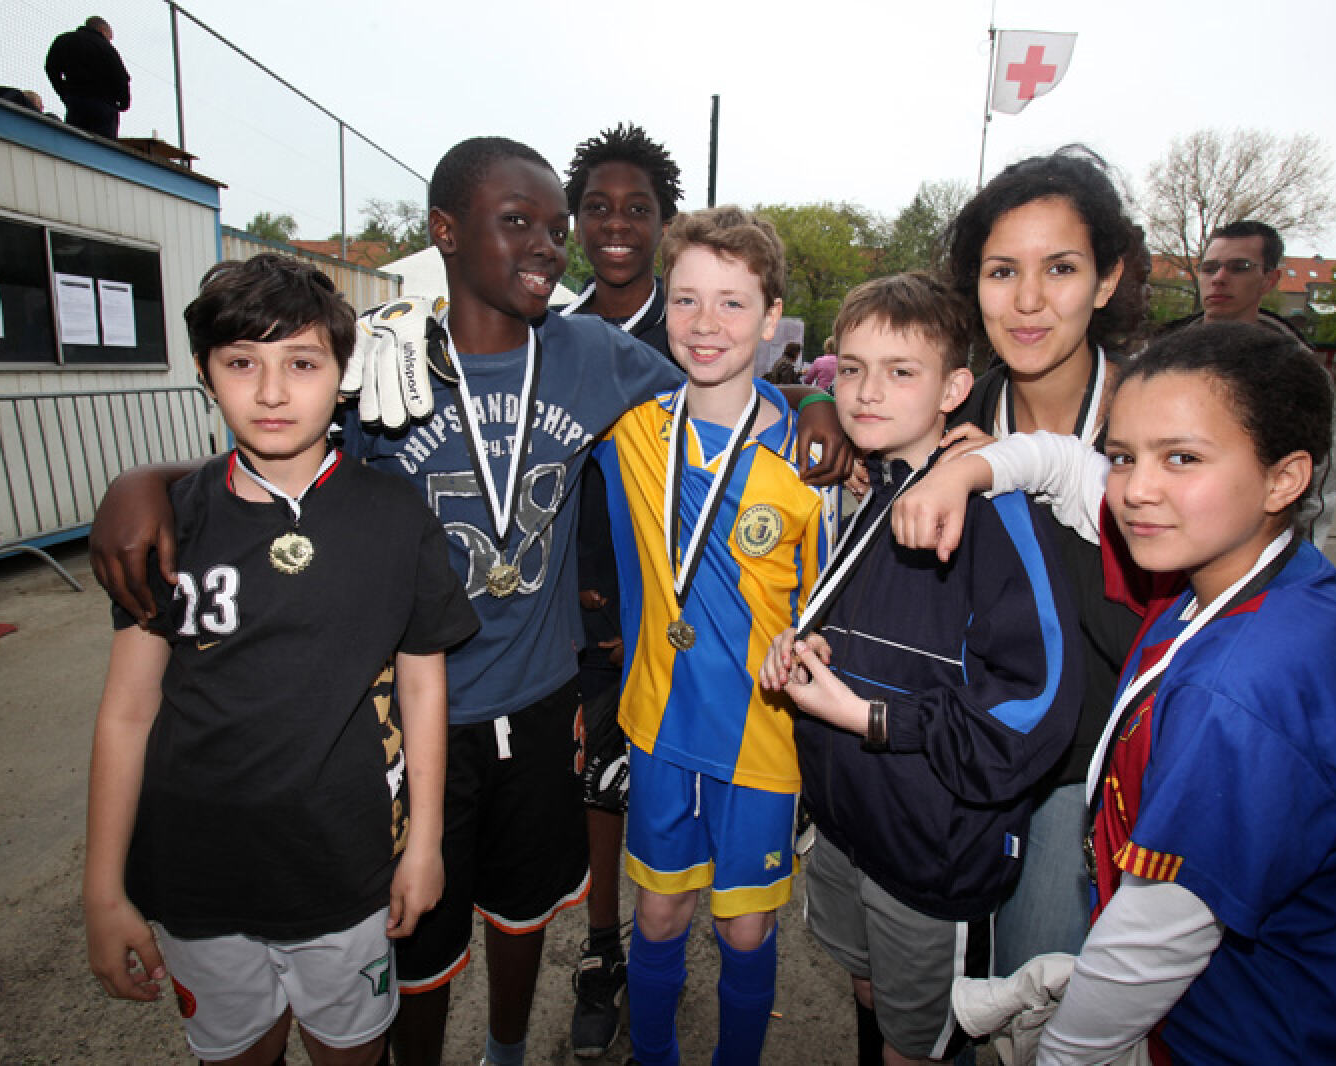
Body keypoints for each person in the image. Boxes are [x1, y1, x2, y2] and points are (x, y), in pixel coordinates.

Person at [87, 136, 852, 1066]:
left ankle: (507, 1049)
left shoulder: (591, 356)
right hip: (419, 708)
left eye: (555, 229)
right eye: (518, 222)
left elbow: (717, 387)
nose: (547, 247)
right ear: (444, 231)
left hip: (541, 698)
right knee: (417, 932)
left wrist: (815, 403)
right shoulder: (388, 364)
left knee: (523, 911)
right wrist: (148, 482)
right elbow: (276, 438)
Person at [915, 323, 1336, 1063]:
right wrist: (969, 470)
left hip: (1252, 1034)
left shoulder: (1242, 685)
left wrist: (1068, 1051)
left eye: (1181, 457)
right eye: (1124, 456)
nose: (1136, 490)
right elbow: (1068, 464)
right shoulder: (1262, 574)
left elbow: (1155, 939)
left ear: (1285, 478)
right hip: (1286, 992)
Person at [82, 254, 478, 1065]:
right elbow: (127, 711)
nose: (270, 392)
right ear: (204, 372)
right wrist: (101, 889)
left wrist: (425, 843)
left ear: (342, 375)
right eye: (241, 364)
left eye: (301, 363)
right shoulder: (166, 525)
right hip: (196, 874)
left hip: (346, 868)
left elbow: (422, 685)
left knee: (351, 1050)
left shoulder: (395, 515)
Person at [757, 273, 1082, 1065]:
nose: (867, 392)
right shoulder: (878, 485)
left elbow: (1030, 714)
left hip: (934, 854)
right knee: (869, 993)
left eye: (901, 371)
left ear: (954, 389)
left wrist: (869, 718)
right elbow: (877, 637)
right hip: (848, 826)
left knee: (920, 1043)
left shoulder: (996, 513)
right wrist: (808, 647)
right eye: (853, 368)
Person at [901, 146, 1149, 983]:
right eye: (1003, 271)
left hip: (1100, 772)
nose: (1029, 300)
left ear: (1107, 280)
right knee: (942, 993)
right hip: (975, 752)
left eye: (1062, 268)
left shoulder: (1160, 424)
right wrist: (827, 415)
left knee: (1042, 991)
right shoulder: (951, 416)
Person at [591, 206, 826, 1066]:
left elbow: (821, 609)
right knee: (657, 914)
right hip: (659, 725)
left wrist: (821, 402)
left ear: (771, 319)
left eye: (732, 303)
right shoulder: (628, 427)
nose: (705, 323)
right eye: (686, 299)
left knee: (745, 929)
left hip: (761, 735)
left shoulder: (812, 459)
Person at [559, 121, 684, 1058]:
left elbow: (754, 419)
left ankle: (659, 957)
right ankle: (602, 954)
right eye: (597, 207)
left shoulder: (693, 331)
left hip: (669, 617)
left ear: (663, 224)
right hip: (580, 615)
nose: (615, 224)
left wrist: (814, 404)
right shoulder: (549, 336)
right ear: (573, 223)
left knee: (667, 798)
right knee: (600, 793)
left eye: (636, 208)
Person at [1158, 219, 1336, 546]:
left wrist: (1301, 558)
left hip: (1252, 548)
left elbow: (1318, 485)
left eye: (1239, 268)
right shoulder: (1157, 360)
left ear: (1269, 279)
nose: (1219, 278)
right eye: (1209, 268)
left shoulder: (1297, 372)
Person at [45, 16, 130, 139]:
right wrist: (123, 104)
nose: (109, 40)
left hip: (76, 102)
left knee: (75, 138)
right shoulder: (106, 48)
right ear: (102, 30)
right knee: (103, 143)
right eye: (109, 37)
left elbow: (51, 68)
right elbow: (121, 78)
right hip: (103, 105)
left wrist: (64, 93)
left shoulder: (64, 40)